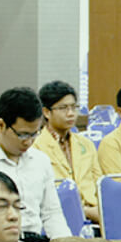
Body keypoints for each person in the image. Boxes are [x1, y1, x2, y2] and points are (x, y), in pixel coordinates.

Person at [0, 88, 71, 242]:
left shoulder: (41, 160)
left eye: (34, 134)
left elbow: (52, 214)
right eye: (23, 134)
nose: (29, 142)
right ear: (1, 125)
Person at [34, 80, 102, 223]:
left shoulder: (86, 144)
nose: (71, 113)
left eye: (73, 107)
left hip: (95, 214)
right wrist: (86, 211)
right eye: (63, 108)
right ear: (46, 112)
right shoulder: (36, 147)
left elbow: (99, 182)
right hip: (60, 216)